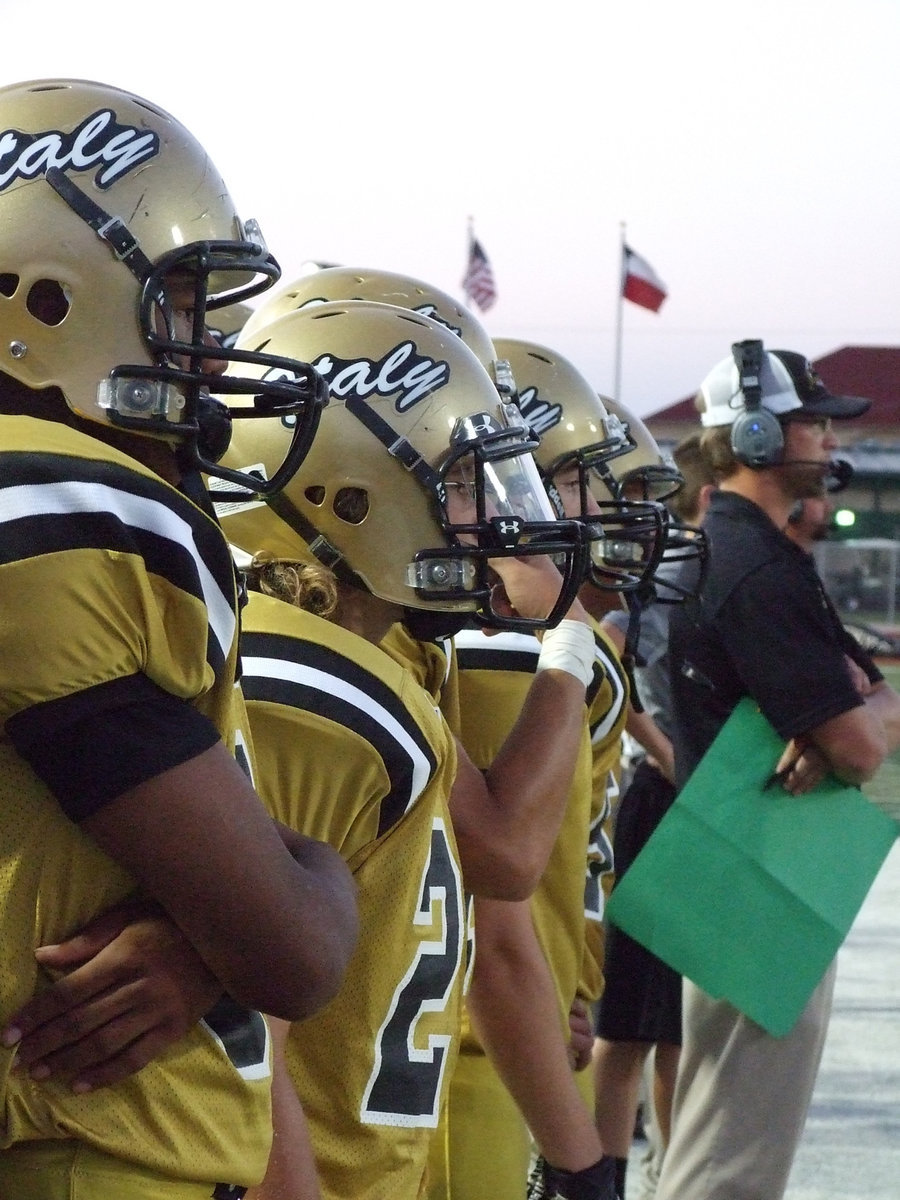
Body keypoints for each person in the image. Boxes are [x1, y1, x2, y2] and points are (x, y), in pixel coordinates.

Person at [0, 77, 358, 1199]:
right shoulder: (63, 507)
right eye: (185, 303)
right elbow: (294, 955)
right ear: (47, 295)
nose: (211, 348)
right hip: (78, 1150)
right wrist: (304, 883)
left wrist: (225, 923)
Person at [214, 298, 600, 1200]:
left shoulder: (384, 657)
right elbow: (249, 1034)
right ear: (353, 489)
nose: (491, 520)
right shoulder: (300, 683)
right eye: (463, 485)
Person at [429, 339, 675, 1200]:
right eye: (583, 477)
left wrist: (566, 979)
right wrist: (535, 983)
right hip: (472, 1056)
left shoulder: (557, 631)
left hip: (519, 1031)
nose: (603, 508)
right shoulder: (504, 637)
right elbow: (497, 898)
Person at [655, 341, 900, 1200]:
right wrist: (854, 715)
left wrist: (854, 707)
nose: (830, 442)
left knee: (723, 1132)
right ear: (754, 435)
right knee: (733, 1158)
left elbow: (863, 699)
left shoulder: (748, 548)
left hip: (741, 865)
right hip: (754, 875)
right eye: (812, 425)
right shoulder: (755, 564)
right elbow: (863, 743)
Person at [593, 430, 716, 1200]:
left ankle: (671, 1170)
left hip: (685, 798)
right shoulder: (679, 569)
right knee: (636, 1021)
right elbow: (611, 642)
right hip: (662, 798)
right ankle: (606, 1176)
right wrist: (670, 752)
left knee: (671, 1023)